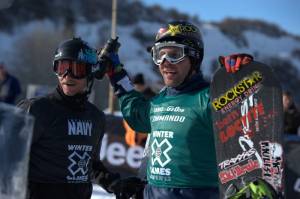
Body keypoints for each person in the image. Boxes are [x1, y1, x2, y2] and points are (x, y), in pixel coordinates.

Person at [101, 21, 253, 199]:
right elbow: (136, 114)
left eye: (175, 55)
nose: (165, 63)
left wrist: (245, 78)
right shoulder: (160, 100)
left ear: (194, 57)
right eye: (160, 55)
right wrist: (116, 73)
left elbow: (249, 120)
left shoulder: (209, 98)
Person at [17, 37, 142, 199]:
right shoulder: (37, 109)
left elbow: (91, 165)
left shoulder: (95, 117)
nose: (67, 76)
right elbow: (9, 157)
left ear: (90, 72)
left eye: (77, 69)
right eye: (61, 68)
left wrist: (114, 183)